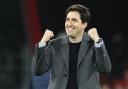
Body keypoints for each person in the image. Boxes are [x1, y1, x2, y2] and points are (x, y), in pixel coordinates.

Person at [32, 4, 112, 89]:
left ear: (84, 24)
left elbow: (105, 69)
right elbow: (38, 71)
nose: (69, 24)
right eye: (67, 20)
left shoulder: (94, 44)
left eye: (74, 20)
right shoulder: (54, 45)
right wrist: (42, 42)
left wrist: (97, 40)